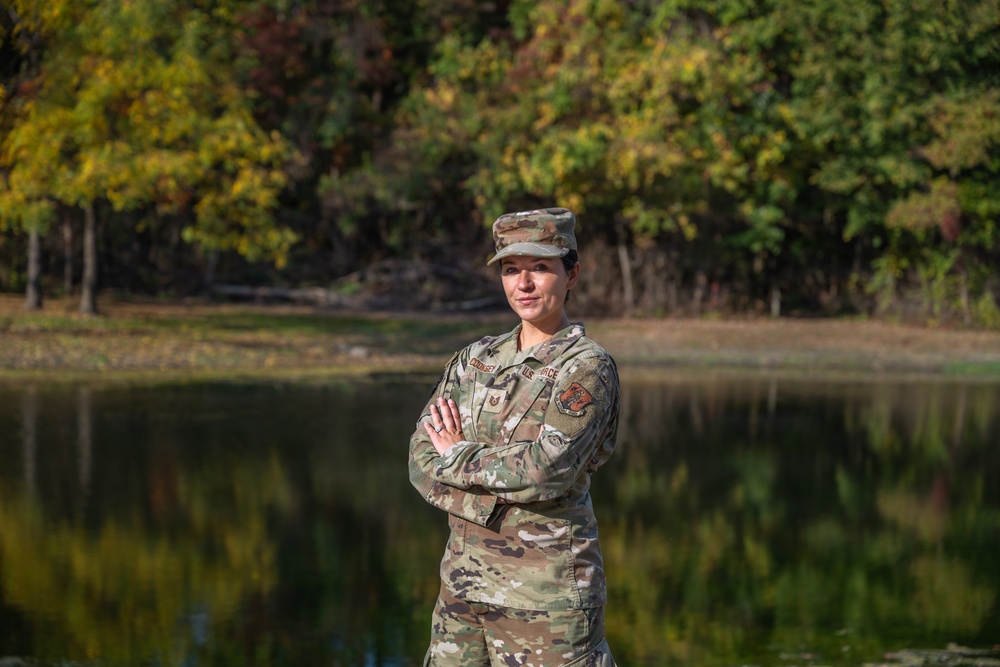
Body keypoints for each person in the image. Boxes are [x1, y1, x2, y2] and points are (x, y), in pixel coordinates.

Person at [408, 207, 620, 666]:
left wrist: (460, 458)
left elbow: (546, 472)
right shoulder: (475, 358)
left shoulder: (586, 368)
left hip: (547, 602)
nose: (522, 284)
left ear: (572, 274)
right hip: (461, 595)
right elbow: (421, 460)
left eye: (540, 268)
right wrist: (502, 481)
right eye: (510, 269)